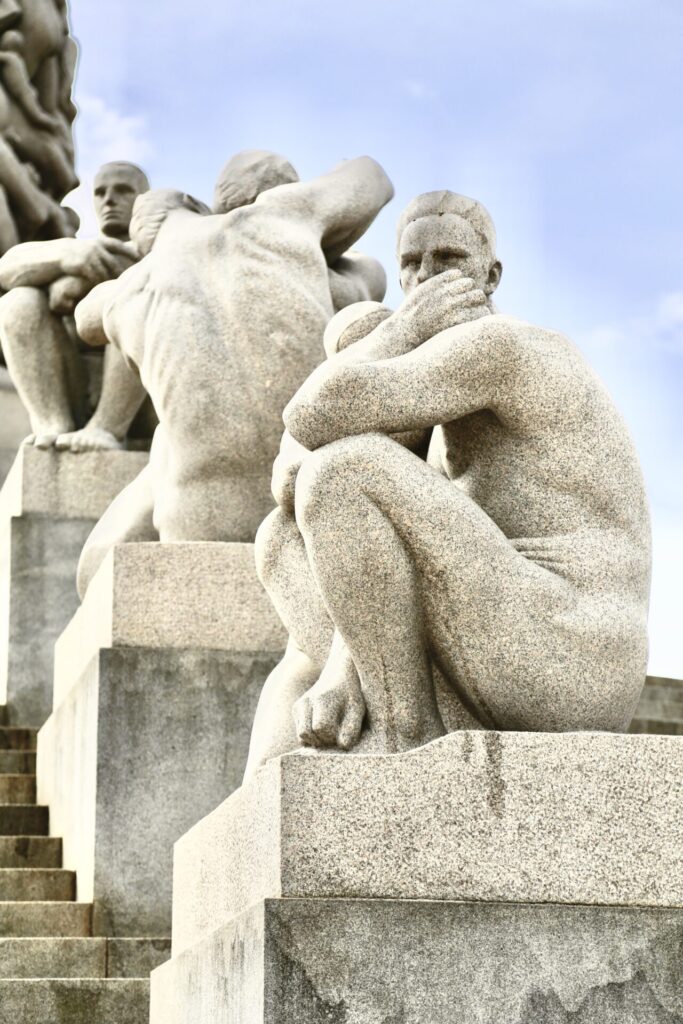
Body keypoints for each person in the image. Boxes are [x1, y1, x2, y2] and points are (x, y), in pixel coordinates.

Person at [243, 190, 652, 776]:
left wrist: (401, 329)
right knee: (280, 539)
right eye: (411, 264)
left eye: (449, 258)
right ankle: (353, 708)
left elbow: (312, 419)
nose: (427, 278)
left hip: (572, 649)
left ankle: (407, 735)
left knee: (344, 473)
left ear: (490, 275)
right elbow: (290, 476)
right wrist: (341, 667)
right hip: (501, 624)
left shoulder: (501, 348)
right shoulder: (435, 415)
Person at [73, 155, 393, 596]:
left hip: (197, 519)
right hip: (316, 495)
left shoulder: (126, 290)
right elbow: (372, 178)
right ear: (197, 204)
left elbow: (83, 318)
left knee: (96, 561)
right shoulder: (279, 219)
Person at [0, 161, 152, 450]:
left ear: (143, 199)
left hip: (143, 400)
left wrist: (75, 284)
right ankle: (53, 424)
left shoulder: (160, 246)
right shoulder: (78, 249)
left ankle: (107, 429)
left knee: (133, 295)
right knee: (18, 302)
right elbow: (5, 269)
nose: (109, 199)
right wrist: (66, 257)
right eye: (100, 192)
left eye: (122, 190)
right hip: (73, 387)